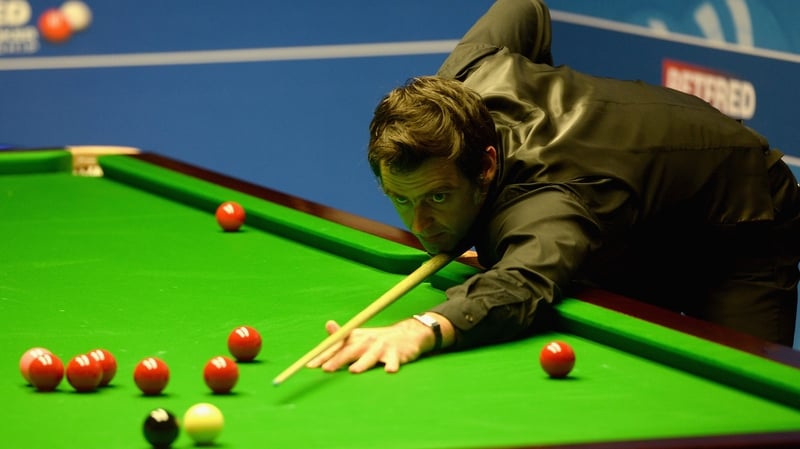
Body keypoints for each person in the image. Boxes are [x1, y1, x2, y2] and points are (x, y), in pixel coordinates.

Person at [307, 0, 800, 374]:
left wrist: (420, 329)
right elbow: (524, 9)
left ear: (485, 168)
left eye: (438, 198)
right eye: (401, 199)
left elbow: (522, 283)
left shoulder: (547, 204)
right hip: (636, 199)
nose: (419, 225)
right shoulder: (467, 74)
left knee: (739, 393)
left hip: (741, 219)